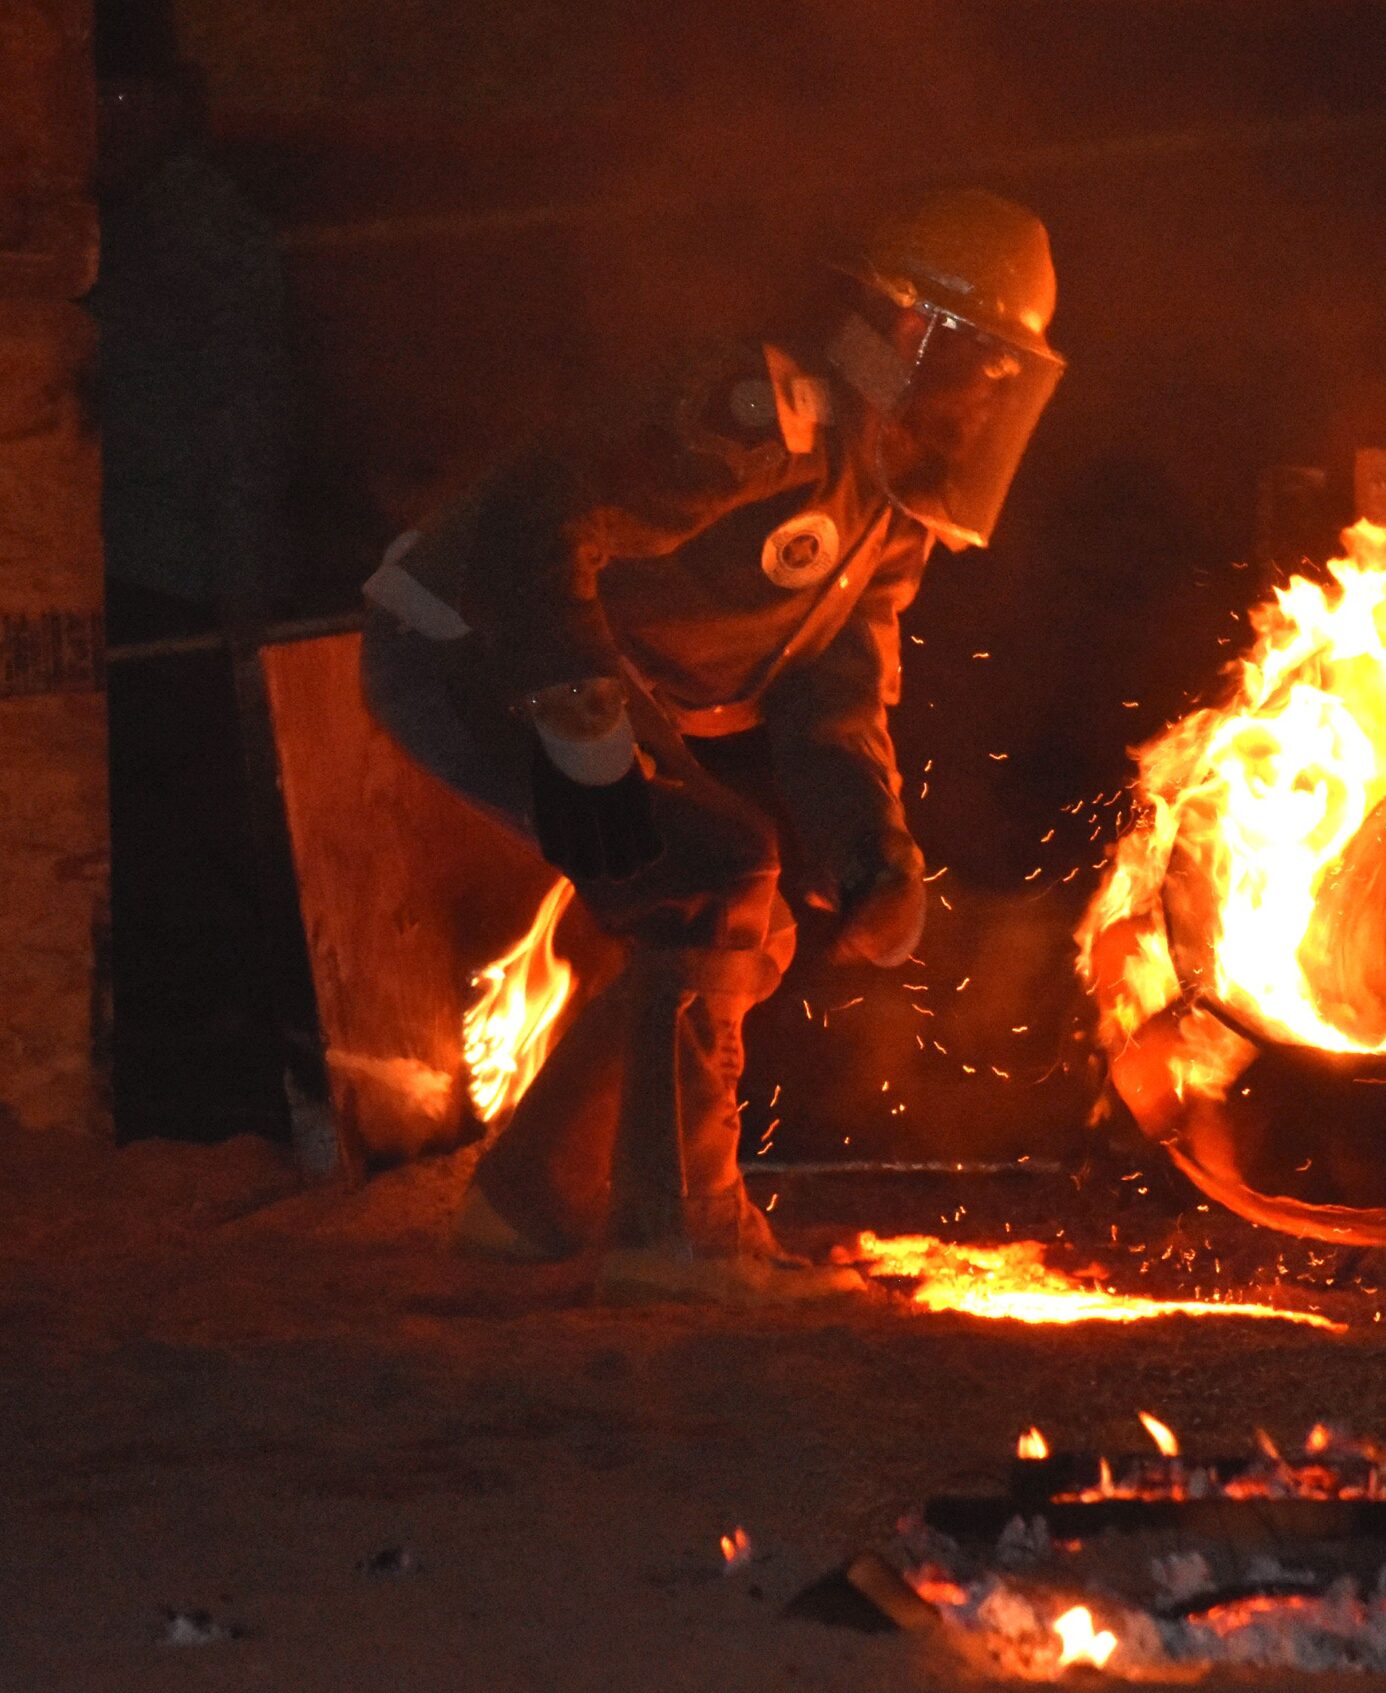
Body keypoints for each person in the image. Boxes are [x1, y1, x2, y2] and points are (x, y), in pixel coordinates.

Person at [359, 188, 1063, 1299]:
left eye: (1006, 377)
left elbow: (835, 703)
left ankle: (528, 1206)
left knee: (750, 921)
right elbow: (539, 513)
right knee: (718, 871)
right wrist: (576, 704)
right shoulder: (754, 424)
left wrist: (873, 851)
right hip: (464, 651)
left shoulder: (886, 511)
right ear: (903, 331)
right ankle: (682, 1238)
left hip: (579, 684)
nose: (987, 400)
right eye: (979, 365)